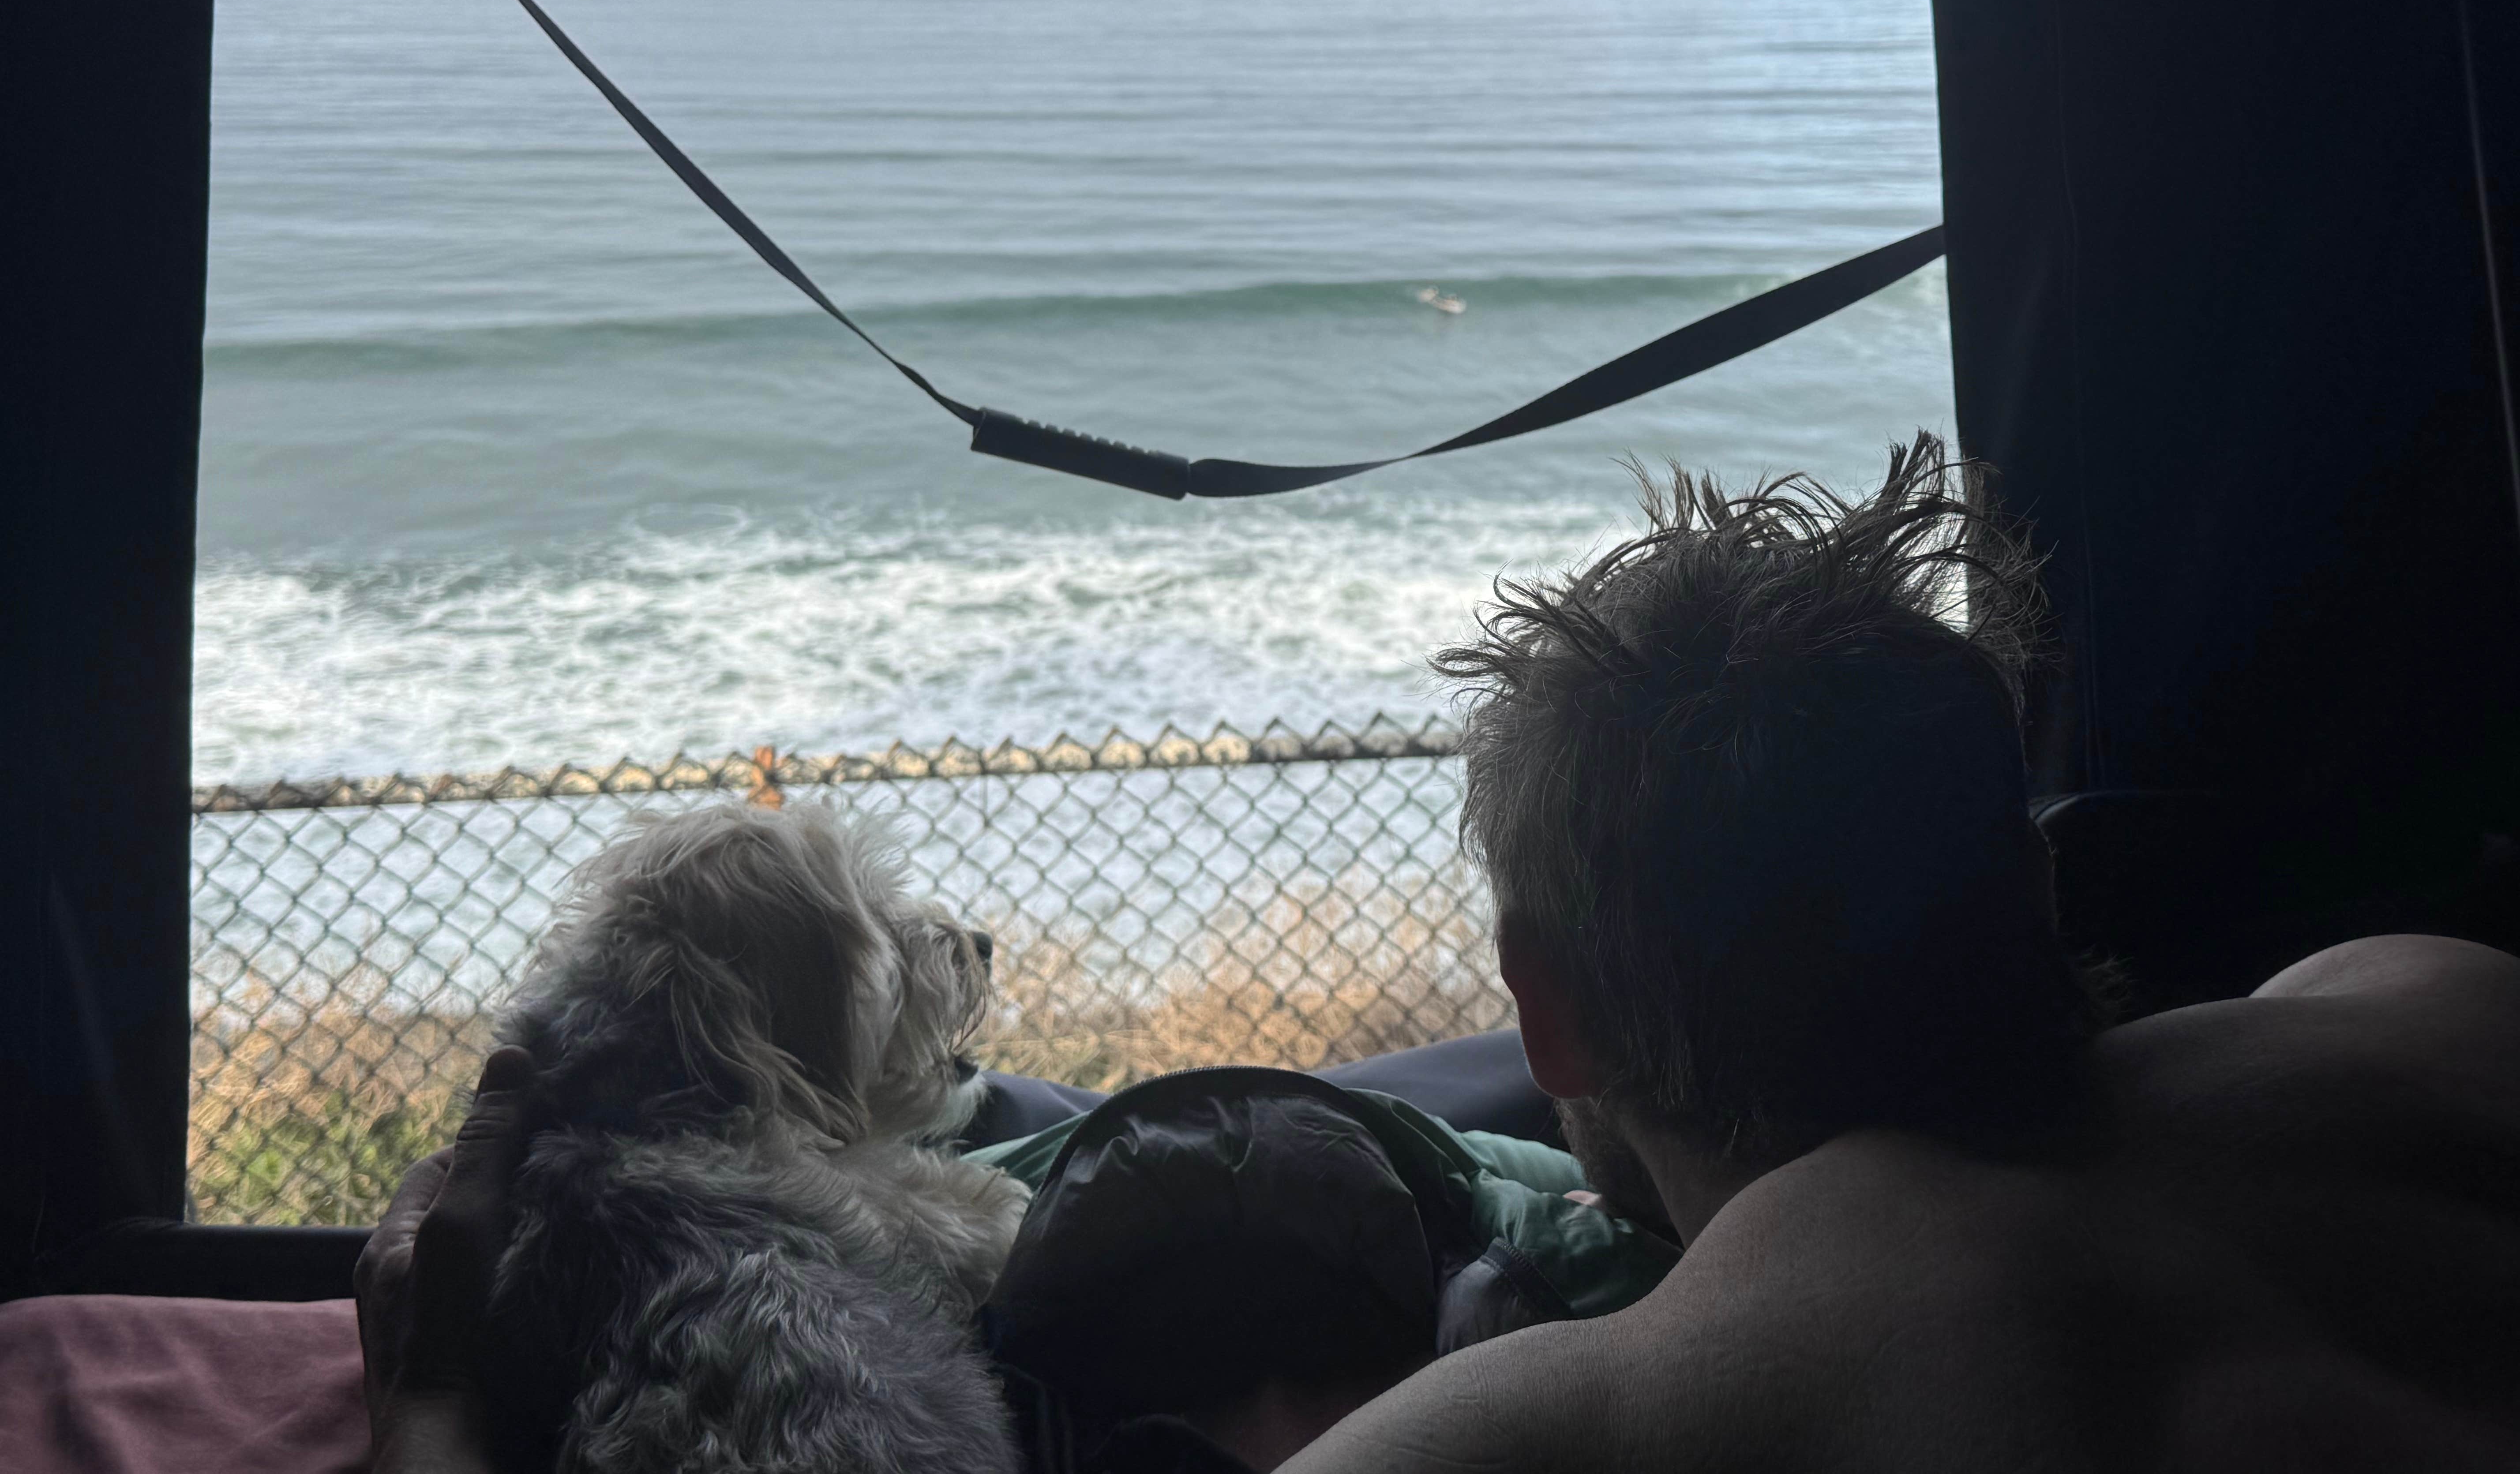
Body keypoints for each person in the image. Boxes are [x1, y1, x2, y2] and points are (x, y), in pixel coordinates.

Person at [360, 435, 2520, 1472]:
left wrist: (439, 1401)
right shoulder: (2430, 1006)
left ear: (1547, 1010)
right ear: (2024, 884)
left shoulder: (1547, 1431)